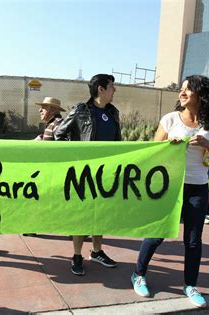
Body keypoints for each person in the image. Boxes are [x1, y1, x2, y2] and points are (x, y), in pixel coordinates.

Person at [130, 75, 209, 308]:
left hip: (198, 188)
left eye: (188, 89)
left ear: (201, 95)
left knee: (194, 241)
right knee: (157, 234)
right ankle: (138, 274)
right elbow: (152, 155)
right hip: (169, 187)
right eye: (181, 89)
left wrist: (207, 144)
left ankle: (190, 285)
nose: (182, 93)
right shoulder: (170, 119)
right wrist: (169, 145)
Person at [54, 74, 120, 275]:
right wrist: (76, 155)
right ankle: (76, 255)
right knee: (81, 216)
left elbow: (118, 142)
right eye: (111, 86)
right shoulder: (80, 110)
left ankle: (97, 251)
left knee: (100, 214)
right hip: (83, 174)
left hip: (106, 174)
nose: (114, 90)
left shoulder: (113, 112)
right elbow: (59, 135)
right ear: (100, 89)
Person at [23, 96, 65, 237]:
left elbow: (61, 148)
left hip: (53, 173)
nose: (40, 110)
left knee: (37, 198)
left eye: (44, 107)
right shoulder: (53, 124)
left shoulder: (58, 124)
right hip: (49, 173)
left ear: (52, 110)